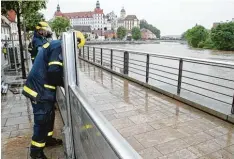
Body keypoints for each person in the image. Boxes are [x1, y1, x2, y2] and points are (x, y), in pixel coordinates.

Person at [22, 31, 85, 159]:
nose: (76, 50)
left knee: (49, 115)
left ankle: (48, 139)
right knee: (42, 120)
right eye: (77, 48)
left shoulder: (56, 44)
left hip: (43, 88)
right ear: (75, 42)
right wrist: (65, 84)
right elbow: (54, 71)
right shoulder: (58, 47)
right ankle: (36, 152)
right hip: (39, 90)